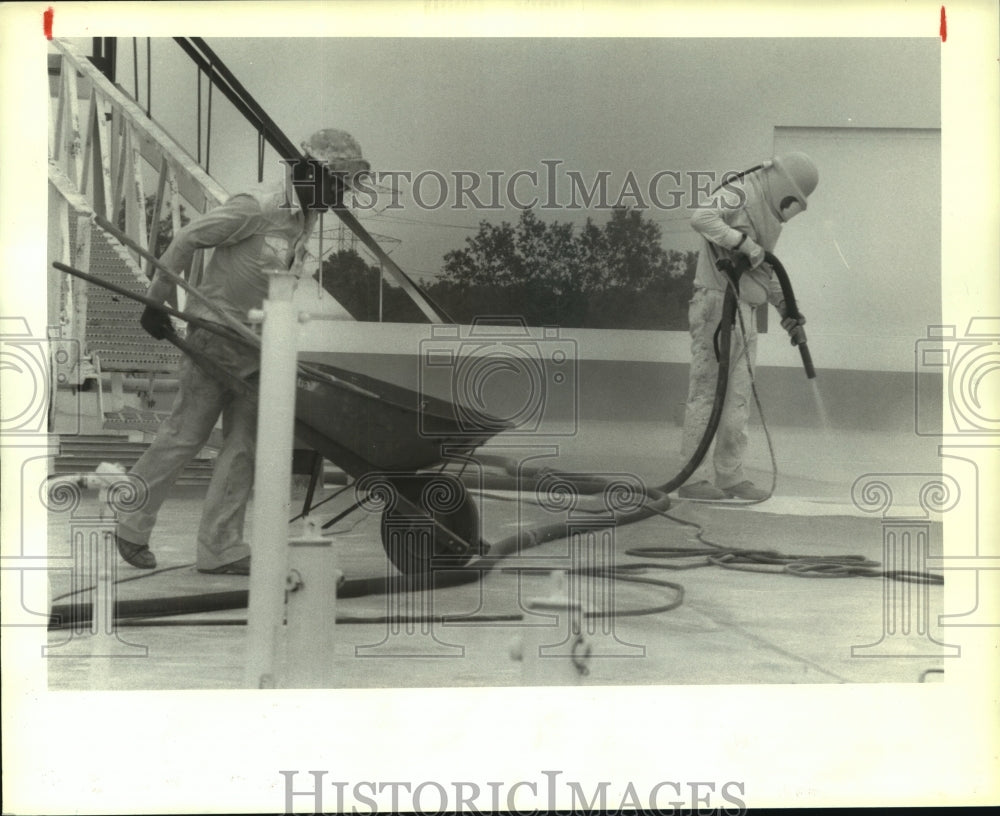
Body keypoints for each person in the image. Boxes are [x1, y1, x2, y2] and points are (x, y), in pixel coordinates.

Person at [114, 128, 370, 574]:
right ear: (312, 173)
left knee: (244, 445)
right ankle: (130, 523)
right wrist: (156, 302)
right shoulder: (258, 205)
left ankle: (220, 549)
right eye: (336, 187)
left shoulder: (304, 217)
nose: (338, 199)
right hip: (214, 334)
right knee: (185, 435)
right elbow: (187, 238)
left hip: (256, 347)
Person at [678, 152, 818, 501]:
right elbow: (701, 217)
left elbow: (763, 271)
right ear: (780, 181)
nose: (788, 207)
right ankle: (694, 480)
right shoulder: (741, 191)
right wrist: (742, 244)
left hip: (745, 309)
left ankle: (730, 475)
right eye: (791, 199)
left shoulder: (768, 216)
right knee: (707, 393)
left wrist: (788, 310)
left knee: (738, 396)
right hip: (715, 305)